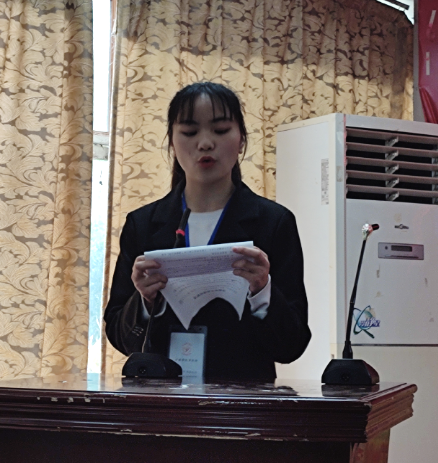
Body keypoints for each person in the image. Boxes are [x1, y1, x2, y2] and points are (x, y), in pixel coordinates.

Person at [104, 82, 310, 380]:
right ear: (172, 142)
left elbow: (292, 345)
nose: (205, 143)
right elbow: (120, 337)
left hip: (243, 400)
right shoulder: (144, 223)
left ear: (241, 140)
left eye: (221, 130)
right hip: (160, 398)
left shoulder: (274, 222)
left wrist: (262, 291)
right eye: (189, 132)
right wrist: (144, 302)